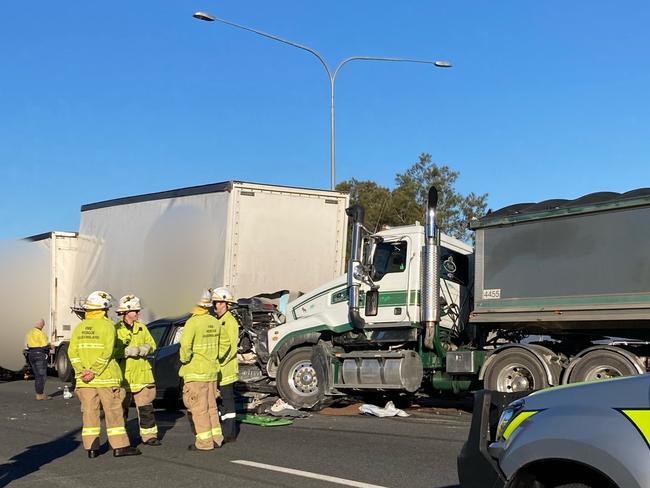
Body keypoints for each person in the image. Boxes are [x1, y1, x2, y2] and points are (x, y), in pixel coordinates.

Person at [68, 291, 141, 458]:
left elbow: (72, 352)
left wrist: (82, 371)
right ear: (104, 308)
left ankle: (92, 448)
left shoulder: (80, 327)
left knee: (89, 414)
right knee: (114, 412)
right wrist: (93, 371)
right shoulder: (107, 326)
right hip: (106, 378)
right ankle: (120, 446)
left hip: (84, 382)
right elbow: (107, 352)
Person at [179, 289, 231, 452]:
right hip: (211, 372)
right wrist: (216, 356)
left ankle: (204, 442)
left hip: (196, 373)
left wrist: (185, 359)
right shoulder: (214, 321)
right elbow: (225, 344)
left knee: (198, 408)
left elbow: (185, 348)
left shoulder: (192, 323)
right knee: (211, 407)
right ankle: (217, 438)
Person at [114, 294, 161, 446]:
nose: (138, 313)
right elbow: (111, 351)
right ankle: (121, 439)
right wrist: (126, 352)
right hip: (124, 377)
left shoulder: (142, 328)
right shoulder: (116, 330)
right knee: (121, 410)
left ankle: (149, 436)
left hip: (142, 376)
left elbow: (152, 345)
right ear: (126, 312)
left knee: (146, 408)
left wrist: (146, 348)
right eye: (135, 311)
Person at [212, 287, 240, 442]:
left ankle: (229, 433)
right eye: (215, 302)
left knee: (227, 401)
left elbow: (230, 347)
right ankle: (222, 429)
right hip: (219, 368)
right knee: (221, 402)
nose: (215, 305)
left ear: (225, 304)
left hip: (226, 368)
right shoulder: (219, 321)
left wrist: (219, 360)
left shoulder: (229, 322)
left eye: (218, 302)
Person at [25, 319, 51, 401]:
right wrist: (51, 346)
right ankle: (40, 394)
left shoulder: (29, 333)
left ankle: (38, 393)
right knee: (42, 375)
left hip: (31, 354)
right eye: (43, 325)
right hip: (40, 354)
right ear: (42, 325)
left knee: (37, 375)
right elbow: (45, 346)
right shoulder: (41, 334)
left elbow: (28, 345)